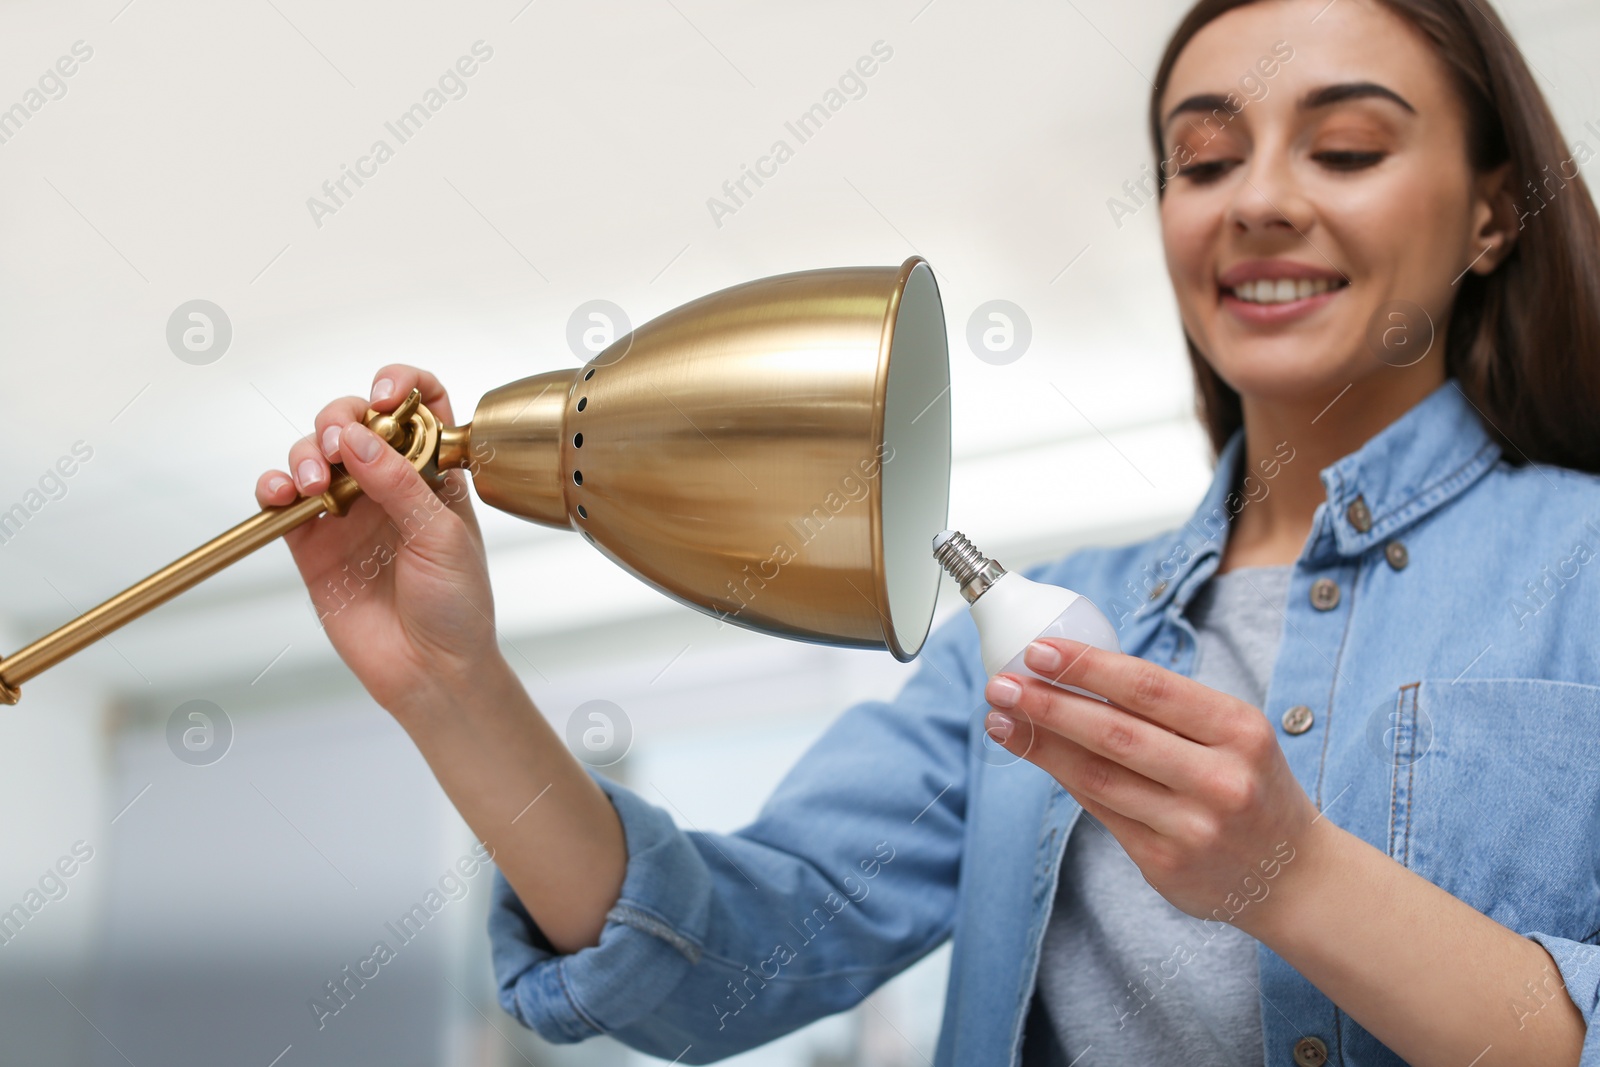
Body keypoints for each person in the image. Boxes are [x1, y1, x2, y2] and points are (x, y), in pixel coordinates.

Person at [255, 0, 1600, 1063]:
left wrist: (1291, 876)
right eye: (1202, 159)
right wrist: (449, 683)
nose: (1253, 199)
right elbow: (722, 969)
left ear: (1493, 211)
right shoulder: (1026, 656)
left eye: (1347, 148)